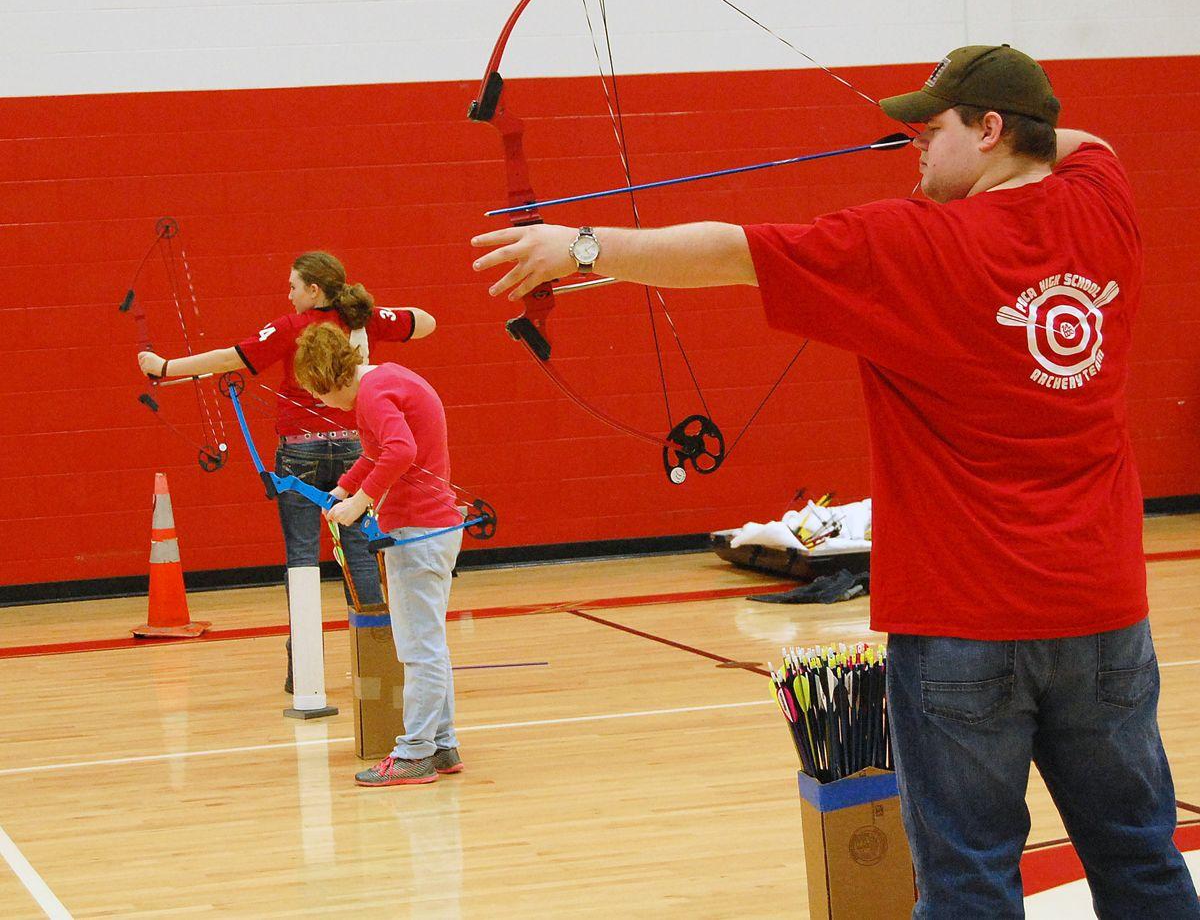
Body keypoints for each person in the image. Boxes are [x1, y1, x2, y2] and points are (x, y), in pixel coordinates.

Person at [470, 45, 1200, 917]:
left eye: (932, 130)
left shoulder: (909, 243)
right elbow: (1085, 142)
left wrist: (582, 247)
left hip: (962, 626)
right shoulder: (1102, 200)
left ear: (993, 129)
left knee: (968, 884)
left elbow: (727, 251)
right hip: (1104, 615)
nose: (914, 147)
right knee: (1142, 866)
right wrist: (1005, 144)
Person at [137, 251, 434, 692]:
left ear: (315, 290)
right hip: (357, 451)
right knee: (360, 556)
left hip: (300, 455)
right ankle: (376, 666)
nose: (288, 293)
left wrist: (165, 369)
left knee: (301, 560)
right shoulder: (362, 321)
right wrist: (374, 314)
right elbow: (425, 322)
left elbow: (227, 358)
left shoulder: (294, 327)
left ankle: (304, 675)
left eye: (294, 285)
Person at [294, 322, 466, 787]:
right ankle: (442, 744)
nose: (319, 402)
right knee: (427, 642)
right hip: (427, 529)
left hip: (420, 531)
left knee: (418, 648)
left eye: (317, 392)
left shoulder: (372, 392)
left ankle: (414, 753)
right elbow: (377, 453)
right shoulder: (381, 382)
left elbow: (400, 450)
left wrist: (360, 502)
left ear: (330, 379)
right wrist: (345, 486)